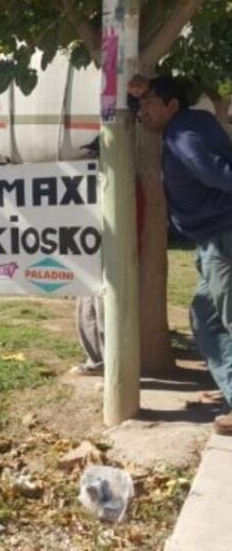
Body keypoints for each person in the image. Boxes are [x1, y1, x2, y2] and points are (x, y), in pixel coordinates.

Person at [130, 75, 232, 433]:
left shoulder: (180, 134)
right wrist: (138, 93)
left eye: (149, 104)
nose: (142, 111)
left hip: (224, 239)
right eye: (141, 105)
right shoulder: (195, 122)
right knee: (205, 318)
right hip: (212, 241)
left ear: (172, 105)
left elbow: (215, 173)